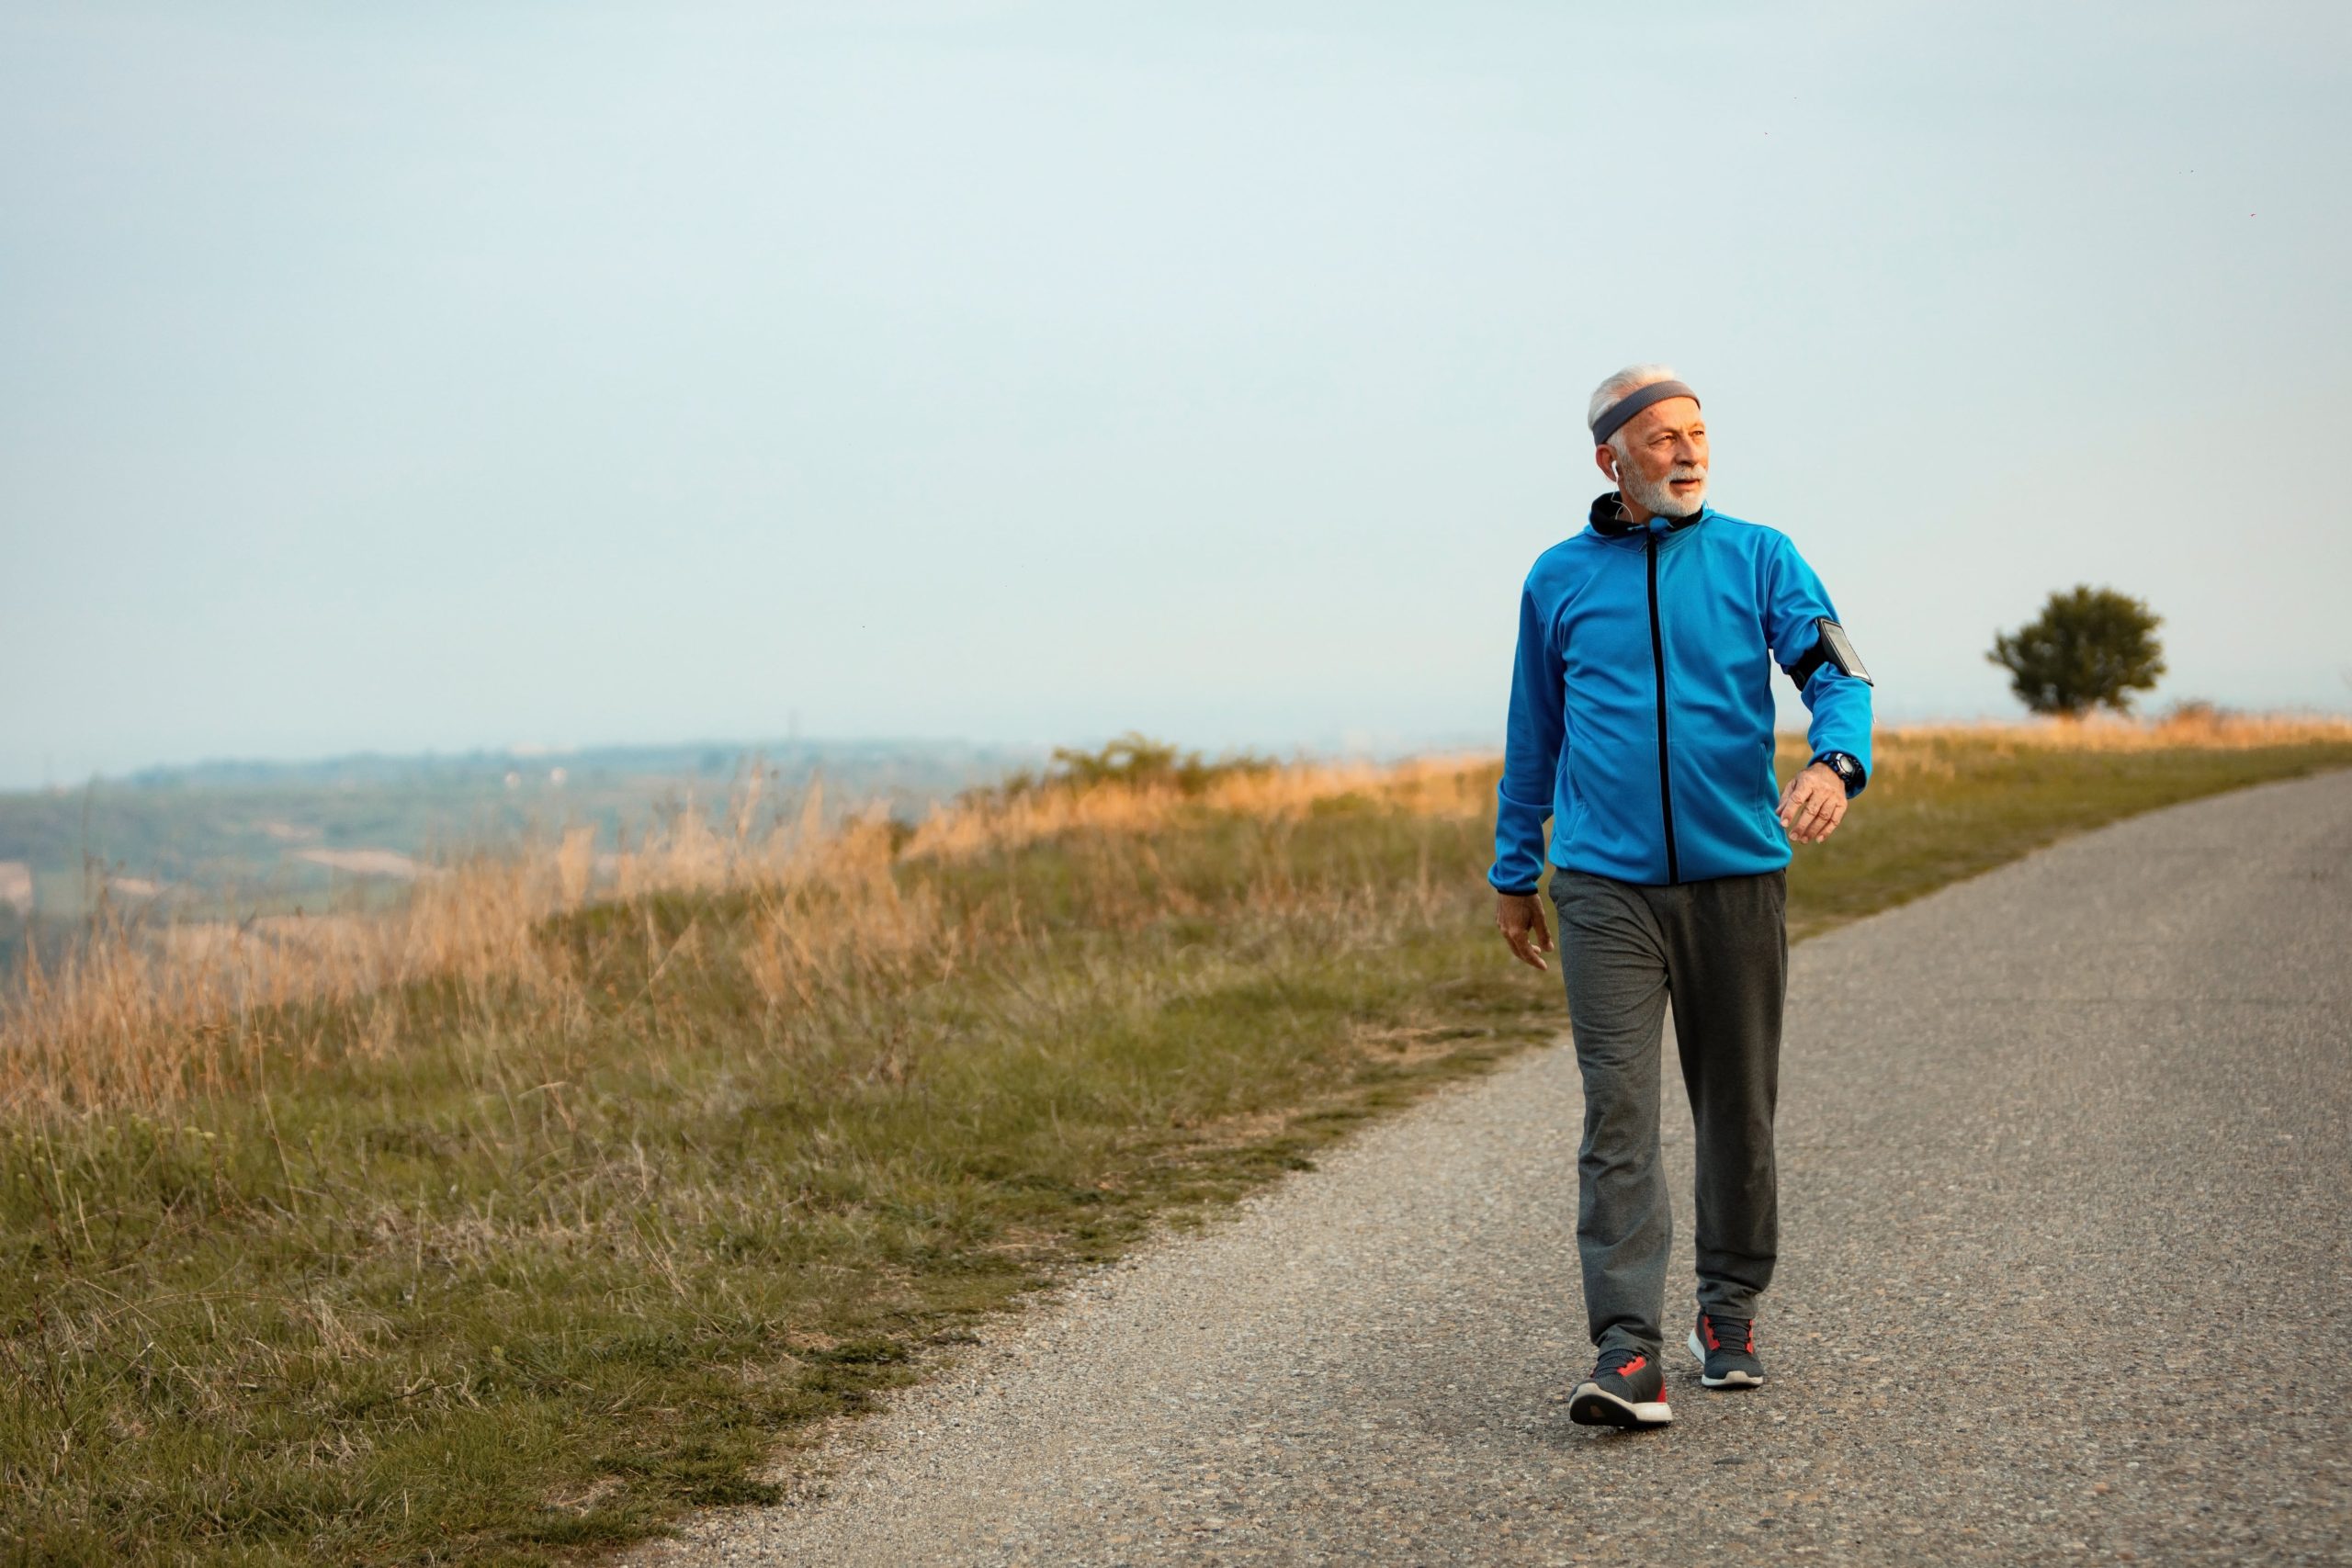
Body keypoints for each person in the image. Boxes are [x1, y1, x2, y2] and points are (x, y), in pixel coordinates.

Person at [1488, 364, 1873, 1429]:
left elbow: (1837, 672)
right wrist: (1514, 867)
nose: (1687, 452)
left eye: (1697, 433)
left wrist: (1834, 763)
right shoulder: (1557, 578)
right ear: (1610, 457)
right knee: (1617, 1114)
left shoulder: (1760, 557)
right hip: (1604, 888)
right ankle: (1626, 1352)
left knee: (1736, 1112)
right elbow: (1535, 733)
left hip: (1736, 880)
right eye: (1661, 438)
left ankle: (1728, 1310)